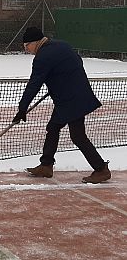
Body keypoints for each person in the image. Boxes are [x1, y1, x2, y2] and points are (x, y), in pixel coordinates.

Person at [12, 26, 111, 184]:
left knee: (77, 136)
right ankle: (46, 165)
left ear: (35, 42)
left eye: (26, 46)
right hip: (72, 95)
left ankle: (101, 169)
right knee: (53, 127)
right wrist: (59, 79)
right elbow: (77, 60)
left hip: (72, 100)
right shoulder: (62, 45)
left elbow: (34, 84)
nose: (26, 50)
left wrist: (22, 109)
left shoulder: (42, 57)